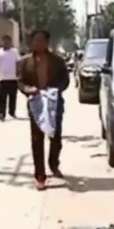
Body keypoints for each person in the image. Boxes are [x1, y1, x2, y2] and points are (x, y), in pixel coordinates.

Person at [18, 30, 70, 191]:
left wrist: (55, 90)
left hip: (54, 104)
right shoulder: (25, 61)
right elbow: (20, 81)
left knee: (55, 137)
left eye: (40, 40)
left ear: (47, 43)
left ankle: (54, 164)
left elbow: (65, 80)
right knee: (37, 140)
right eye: (35, 40)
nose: (37, 43)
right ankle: (40, 175)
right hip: (36, 104)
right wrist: (29, 90)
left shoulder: (57, 61)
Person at [0, 35, 21, 120]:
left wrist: (18, 73)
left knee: (12, 96)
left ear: (10, 42)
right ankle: (1, 113)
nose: (5, 43)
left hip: (13, 78)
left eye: (7, 41)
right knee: (2, 97)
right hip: (2, 78)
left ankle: (12, 112)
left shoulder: (14, 51)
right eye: (4, 41)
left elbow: (18, 63)